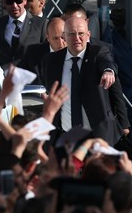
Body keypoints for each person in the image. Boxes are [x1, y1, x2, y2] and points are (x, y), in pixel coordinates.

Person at [41, 16, 126, 145]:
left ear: (88, 35)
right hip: (65, 136)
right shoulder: (51, 60)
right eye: (72, 34)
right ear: (64, 36)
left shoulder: (98, 53)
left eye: (81, 34)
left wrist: (108, 71)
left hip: (97, 135)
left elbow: (108, 66)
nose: (77, 38)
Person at [0, 0, 46, 67]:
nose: (14, 5)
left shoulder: (41, 24)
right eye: (9, 2)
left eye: (18, 1)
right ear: (4, 2)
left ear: (25, 0)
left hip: (31, 78)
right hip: (3, 77)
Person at [18, 17, 66, 84]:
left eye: (63, 37)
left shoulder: (75, 52)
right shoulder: (33, 53)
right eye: (55, 38)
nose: (61, 43)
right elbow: (19, 77)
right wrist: (39, 93)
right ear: (48, 38)